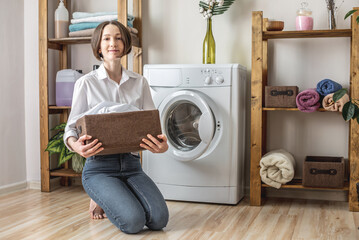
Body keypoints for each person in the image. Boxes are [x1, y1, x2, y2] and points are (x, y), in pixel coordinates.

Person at [64, 20, 169, 234]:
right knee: (133, 223)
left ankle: (112, 195)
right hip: (99, 168)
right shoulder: (86, 83)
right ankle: (99, 195)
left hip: (132, 165)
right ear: (99, 46)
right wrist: (77, 147)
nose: (114, 43)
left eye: (119, 38)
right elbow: (70, 130)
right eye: (107, 38)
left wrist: (162, 145)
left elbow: (152, 126)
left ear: (126, 44)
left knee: (159, 220)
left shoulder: (140, 82)